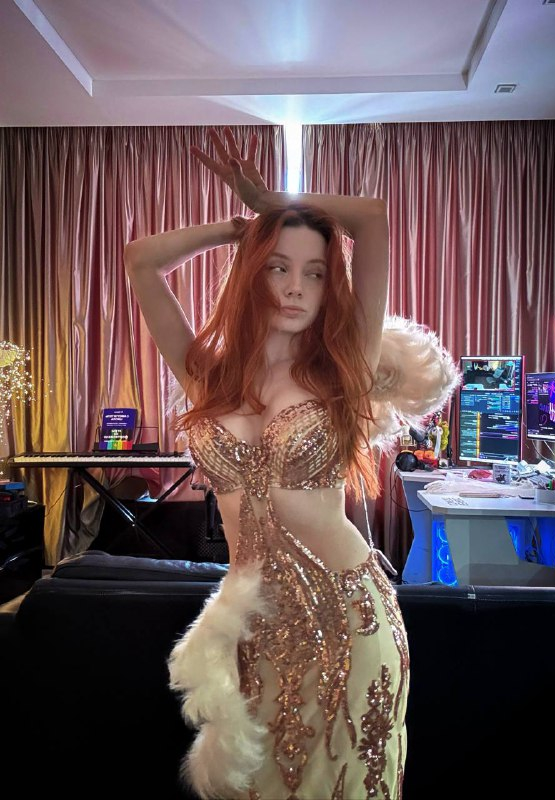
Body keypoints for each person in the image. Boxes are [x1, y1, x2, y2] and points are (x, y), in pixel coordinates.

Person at [124, 127, 459, 800]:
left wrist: (272, 203)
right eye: (278, 267)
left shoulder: (345, 369)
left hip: (349, 617)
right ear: (253, 274)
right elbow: (140, 261)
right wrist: (241, 230)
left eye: (314, 272)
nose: (296, 287)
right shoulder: (207, 377)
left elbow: (370, 219)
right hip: (253, 625)